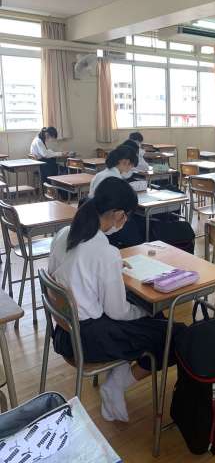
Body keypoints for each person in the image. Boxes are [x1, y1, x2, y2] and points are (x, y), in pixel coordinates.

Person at [48, 177, 185, 422]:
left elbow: (71, 271)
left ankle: (119, 372)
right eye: (127, 217)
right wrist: (146, 311)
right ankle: (117, 384)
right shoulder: (104, 252)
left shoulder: (64, 234)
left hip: (63, 334)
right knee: (175, 334)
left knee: (156, 322)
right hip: (87, 341)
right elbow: (118, 312)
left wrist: (110, 269)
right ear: (119, 214)